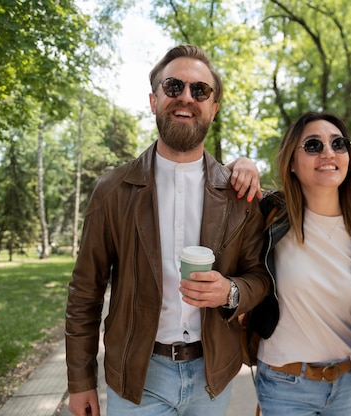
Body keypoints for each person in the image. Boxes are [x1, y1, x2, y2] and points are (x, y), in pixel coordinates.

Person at [64, 44, 270, 416]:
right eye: (174, 87)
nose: (186, 98)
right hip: (138, 379)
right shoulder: (113, 190)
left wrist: (231, 290)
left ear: (214, 107)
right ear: (154, 99)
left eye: (200, 90)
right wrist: (80, 382)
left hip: (213, 375)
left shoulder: (241, 194)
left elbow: (260, 276)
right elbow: (84, 292)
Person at [249, 111, 351, 416]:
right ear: (292, 163)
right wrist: (241, 165)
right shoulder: (270, 218)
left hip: (349, 384)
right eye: (313, 145)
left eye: (339, 144)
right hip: (285, 386)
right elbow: (223, 193)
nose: (328, 152)